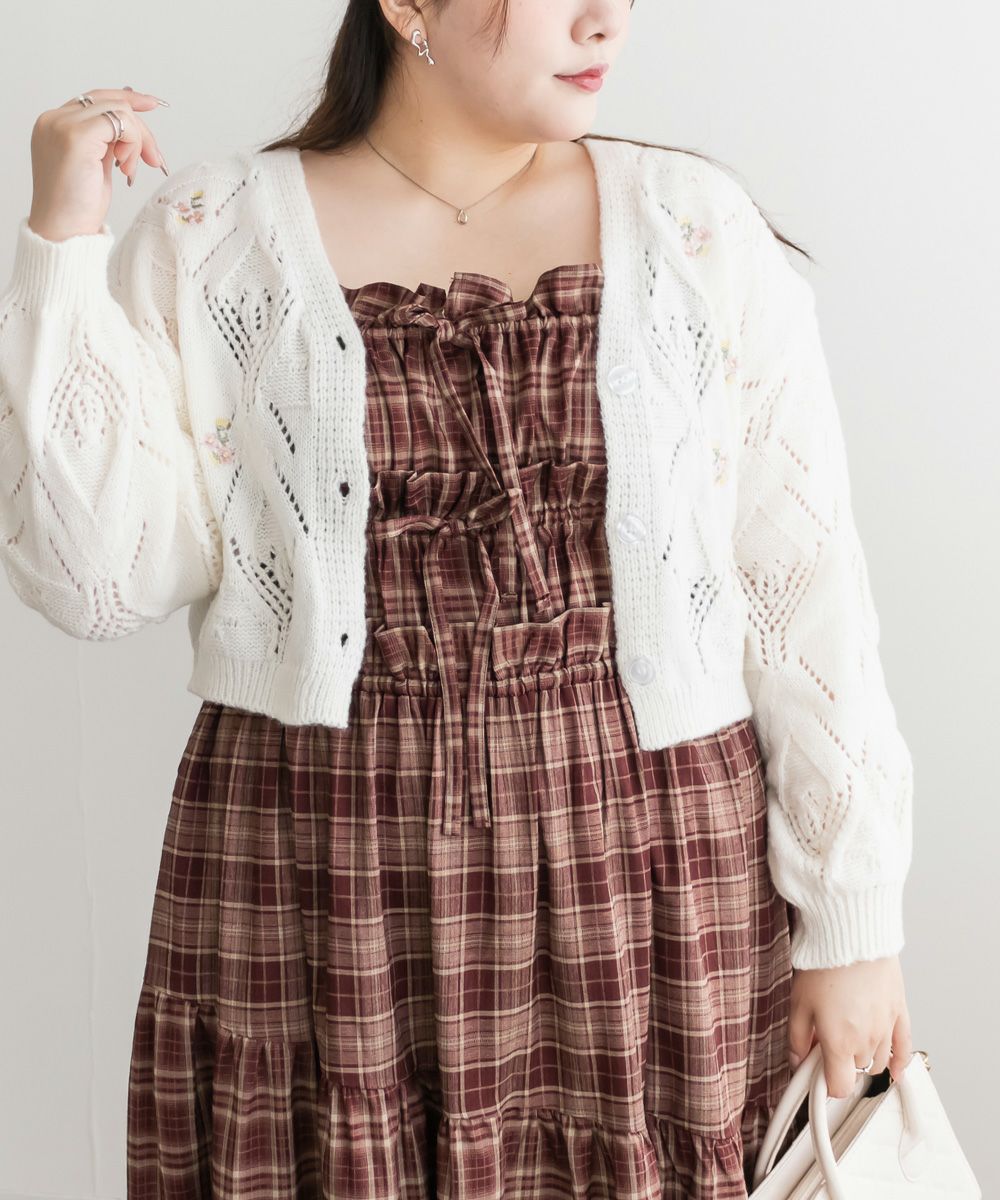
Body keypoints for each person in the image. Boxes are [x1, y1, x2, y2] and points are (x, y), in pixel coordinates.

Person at [0, 0, 914, 1195]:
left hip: (650, 873)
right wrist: (62, 240)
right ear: (406, 6)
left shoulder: (690, 223)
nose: (605, 22)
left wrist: (852, 925)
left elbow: (802, 589)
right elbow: (97, 582)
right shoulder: (215, 232)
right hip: (318, 875)